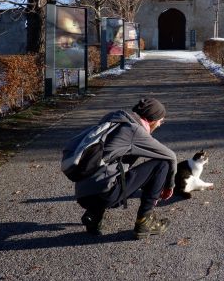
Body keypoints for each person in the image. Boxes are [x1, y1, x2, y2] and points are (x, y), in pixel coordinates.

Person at [74, 97, 177, 239]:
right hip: (104, 194)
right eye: (161, 121)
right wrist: (169, 185)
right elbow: (170, 156)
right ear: (152, 119)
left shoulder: (114, 121)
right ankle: (144, 222)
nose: (160, 125)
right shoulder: (135, 131)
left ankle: (94, 215)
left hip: (82, 193)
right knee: (161, 165)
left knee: (115, 166)